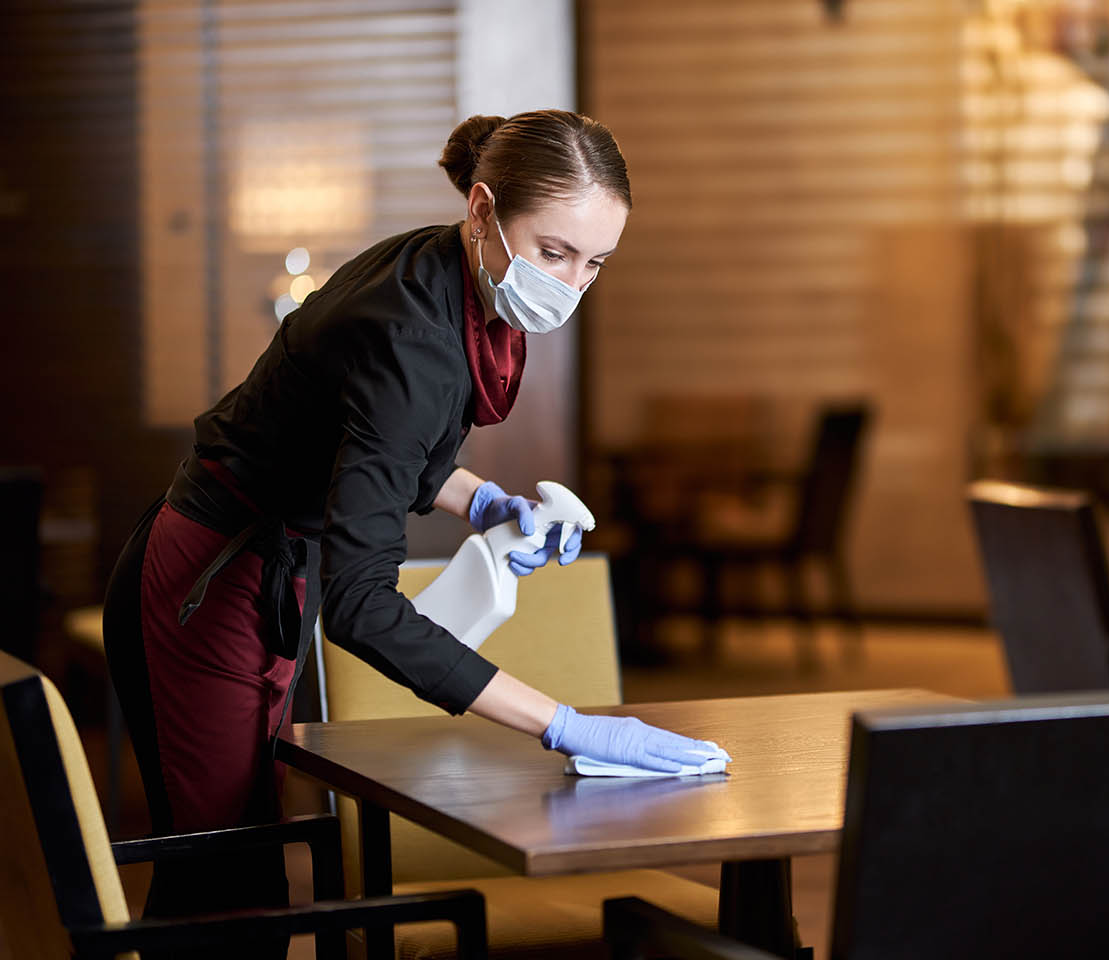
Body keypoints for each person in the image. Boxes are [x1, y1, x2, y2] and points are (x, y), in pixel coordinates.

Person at [102, 109, 727, 944]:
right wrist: (564, 724)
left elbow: (380, 443)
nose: (572, 284)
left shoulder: (441, 263)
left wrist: (483, 502)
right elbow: (362, 602)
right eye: (553, 252)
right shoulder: (416, 335)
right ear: (482, 210)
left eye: (594, 262)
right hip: (206, 591)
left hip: (256, 574)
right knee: (230, 893)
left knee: (229, 883)